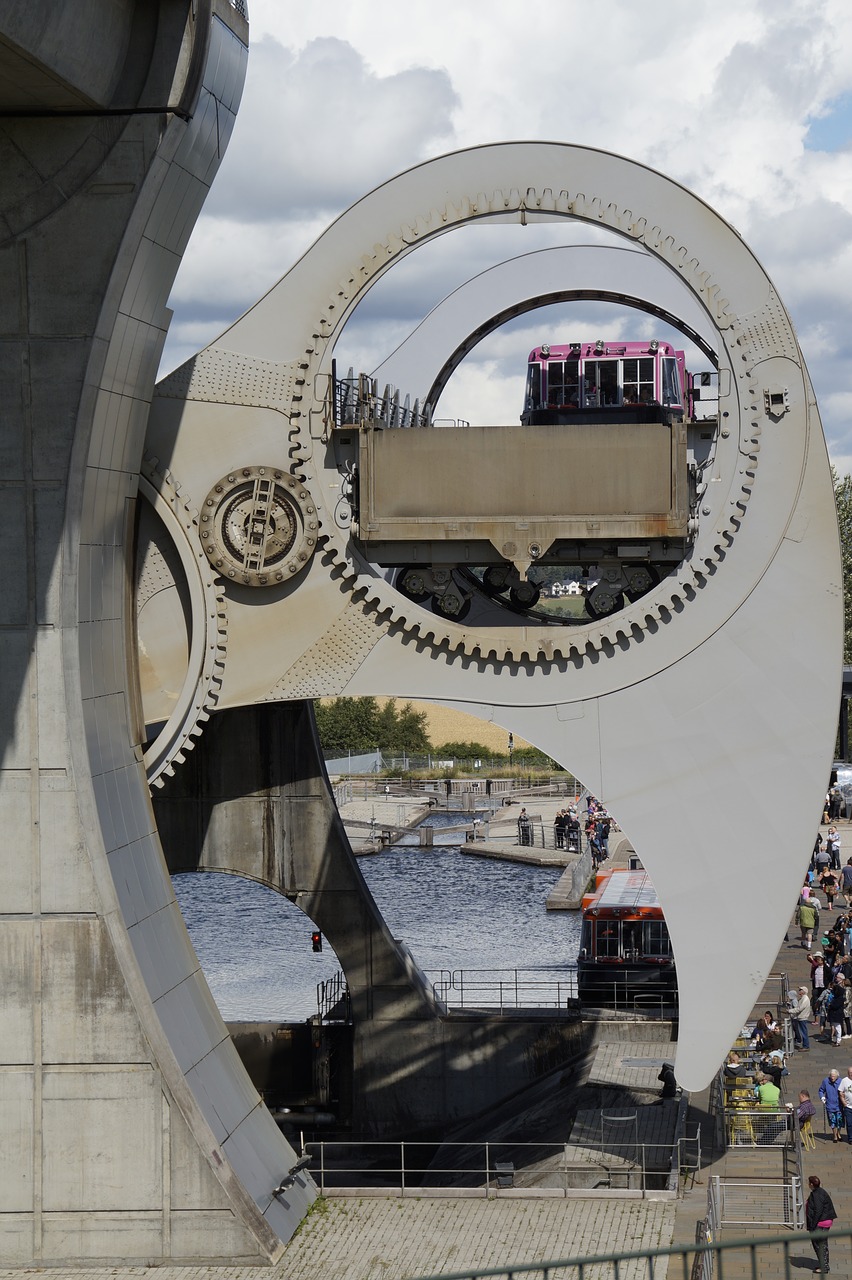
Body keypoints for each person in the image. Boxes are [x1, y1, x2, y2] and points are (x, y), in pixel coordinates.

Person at [805, 1175, 837, 1273]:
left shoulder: (816, 1195)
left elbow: (818, 1211)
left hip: (820, 1224)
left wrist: (813, 1225)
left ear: (811, 1184)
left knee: (819, 1245)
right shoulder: (820, 1192)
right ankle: (824, 1265)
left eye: (808, 1182)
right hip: (825, 1222)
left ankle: (824, 1267)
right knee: (822, 1244)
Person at [820, 1069, 844, 1141]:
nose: (832, 1078)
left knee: (839, 1121)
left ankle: (838, 1133)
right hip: (830, 1105)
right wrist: (822, 1097)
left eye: (834, 1076)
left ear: (837, 1076)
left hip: (839, 1106)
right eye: (831, 1076)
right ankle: (834, 1135)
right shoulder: (825, 1081)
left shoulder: (841, 1081)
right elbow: (821, 1090)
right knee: (832, 1121)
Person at [838, 1067, 852, 1142]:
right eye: (850, 1073)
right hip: (848, 1107)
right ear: (848, 1073)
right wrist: (843, 1102)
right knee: (849, 1123)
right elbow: (840, 1092)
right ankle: (850, 1138)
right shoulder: (844, 1080)